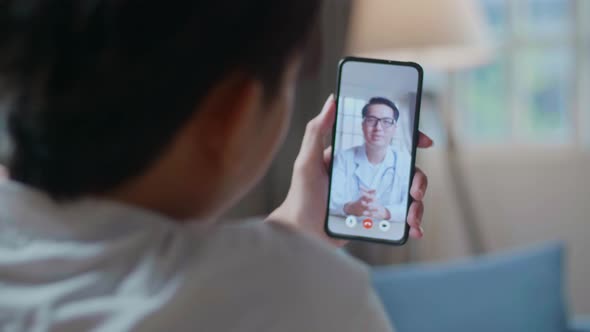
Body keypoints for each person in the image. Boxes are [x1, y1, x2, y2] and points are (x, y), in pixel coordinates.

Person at [0, 1, 432, 331]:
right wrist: (292, 260)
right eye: (288, 81)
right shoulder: (313, 301)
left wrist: (297, 229)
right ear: (234, 112)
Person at [330, 97, 412, 222]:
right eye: (371, 120)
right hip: (348, 228)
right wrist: (351, 207)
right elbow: (330, 201)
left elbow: (409, 207)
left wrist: (385, 212)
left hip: (388, 233)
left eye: (386, 121)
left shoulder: (405, 163)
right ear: (362, 125)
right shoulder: (343, 158)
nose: (378, 127)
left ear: (395, 128)